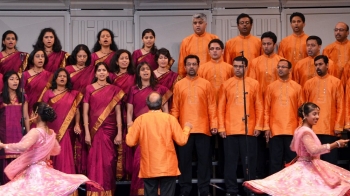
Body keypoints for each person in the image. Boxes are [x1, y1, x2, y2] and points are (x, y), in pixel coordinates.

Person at [244, 102, 350, 196]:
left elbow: (293, 147)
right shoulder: (305, 132)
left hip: (307, 164)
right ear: (305, 115)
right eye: (314, 114)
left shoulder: (299, 129)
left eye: (318, 114)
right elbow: (313, 150)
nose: (317, 117)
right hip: (308, 167)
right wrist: (336, 144)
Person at [0, 102, 102, 195]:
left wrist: (3, 145)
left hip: (34, 172)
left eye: (32, 112)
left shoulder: (35, 132)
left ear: (36, 114)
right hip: (45, 169)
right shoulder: (51, 133)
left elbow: (22, 147)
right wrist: (42, 151)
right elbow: (56, 150)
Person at [126, 92, 192, 196]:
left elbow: (130, 142)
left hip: (149, 168)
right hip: (168, 167)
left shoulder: (140, 120)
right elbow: (182, 140)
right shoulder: (170, 119)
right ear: (161, 103)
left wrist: (130, 128)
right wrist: (187, 128)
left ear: (147, 104)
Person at [171, 54, 217, 196]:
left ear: (198, 66)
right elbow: (175, 108)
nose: (191, 67)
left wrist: (213, 124)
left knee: (204, 161)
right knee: (184, 161)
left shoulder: (206, 84)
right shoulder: (179, 85)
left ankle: (204, 190)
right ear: (184, 67)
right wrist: (173, 127)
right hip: (184, 130)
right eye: (189, 64)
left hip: (203, 129)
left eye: (194, 64)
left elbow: (212, 106)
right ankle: (185, 190)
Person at [217, 56, 263, 196]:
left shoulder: (254, 84)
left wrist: (258, 126)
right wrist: (221, 127)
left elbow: (259, 106)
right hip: (230, 130)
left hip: (249, 131)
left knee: (249, 162)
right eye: (235, 66)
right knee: (230, 163)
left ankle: (250, 190)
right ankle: (231, 190)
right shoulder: (226, 84)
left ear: (246, 67)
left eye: (241, 66)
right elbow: (220, 108)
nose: (237, 69)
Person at [127, 62, 172, 195]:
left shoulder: (160, 89)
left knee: (157, 159)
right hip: (141, 130)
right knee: (139, 161)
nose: (145, 71)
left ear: (151, 72)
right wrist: (130, 127)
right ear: (138, 73)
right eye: (142, 69)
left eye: (148, 69)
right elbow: (129, 112)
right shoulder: (133, 90)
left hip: (158, 131)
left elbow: (166, 111)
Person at [83, 62, 124, 195]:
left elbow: (118, 113)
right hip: (94, 131)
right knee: (94, 162)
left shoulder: (115, 89)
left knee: (108, 162)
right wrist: (87, 133)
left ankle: (108, 191)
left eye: (104, 70)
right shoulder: (89, 88)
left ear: (108, 73)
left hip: (110, 130)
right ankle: (94, 192)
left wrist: (119, 133)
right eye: (99, 70)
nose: (101, 72)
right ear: (95, 74)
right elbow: (85, 113)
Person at [303, 55, 344, 164]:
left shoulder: (336, 82)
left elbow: (340, 105)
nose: (318, 67)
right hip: (313, 129)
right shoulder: (308, 83)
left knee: (329, 162)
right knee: (314, 161)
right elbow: (304, 107)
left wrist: (338, 126)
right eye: (316, 65)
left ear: (327, 65)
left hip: (329, 128)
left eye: (320, 64)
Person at [264, 59, 303, 175]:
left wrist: (300, 128)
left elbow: (301, 110)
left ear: (290, 70)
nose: (280, 69)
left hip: (292, 130)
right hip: (275, 130)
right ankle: (274, 191)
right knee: (275, 162)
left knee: (292, 162)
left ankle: (292, 189)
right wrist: (266, 127)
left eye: (283, 67)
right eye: (278, 67)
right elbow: (266, 109)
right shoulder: (271, 87)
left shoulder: (297, 87)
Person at [42, 68, 83, 176]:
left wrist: (77, 124)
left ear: (68, 79)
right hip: (51, 130)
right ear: (55, 79)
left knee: (65, 156)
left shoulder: (74, 94)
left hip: (66, 130)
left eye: (64, 76)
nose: (62, 78)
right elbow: (43, 113)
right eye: (60, 76)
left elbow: (77, 111)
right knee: (51, 157)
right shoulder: (48, 93)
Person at [109, 49, 135, 181]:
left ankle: (129, 172)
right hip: (115, 112)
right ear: (117, 61)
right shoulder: (111, 77)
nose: (124, 61)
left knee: (129, 141)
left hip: (131, 111)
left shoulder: (134, 76)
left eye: (127, 58)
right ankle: (116, 173)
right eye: (122, 58)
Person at [0, 71, 30, 184]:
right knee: (5, 165)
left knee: (19, 164)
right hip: (4, 134)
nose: (15, 81)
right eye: (12, 79)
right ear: (6, 81)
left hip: (18, 134)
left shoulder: (23, 97)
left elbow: (26, 117)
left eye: (17, 79)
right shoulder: (1, 97)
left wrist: (28, 134)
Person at [178, 13, 219, 78]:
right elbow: (182, 63)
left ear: (206, 24)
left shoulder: (214, 39)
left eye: (200, 23)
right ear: (192, 25)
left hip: (211, 76)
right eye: (195, 23)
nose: (197, 25)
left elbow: (220, 59)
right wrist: (182, 77)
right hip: (192, 77)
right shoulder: (186, 41)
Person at [248, 31, 284, 96]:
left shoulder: (282, 61)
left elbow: (286, 82)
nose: (266, 46)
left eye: (269, 44)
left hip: (278, 96)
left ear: (274, 44)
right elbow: (251, 83)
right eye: (264, 44)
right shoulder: (254, 62)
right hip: (260, 97)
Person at [22, 48, 53, 117]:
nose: (40, 58)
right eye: (37, 56)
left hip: (44, 109)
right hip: (28, 108)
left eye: (42, 56)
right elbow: (22, 94)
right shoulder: (25, 75)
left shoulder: (50, 76)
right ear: (32, 59)